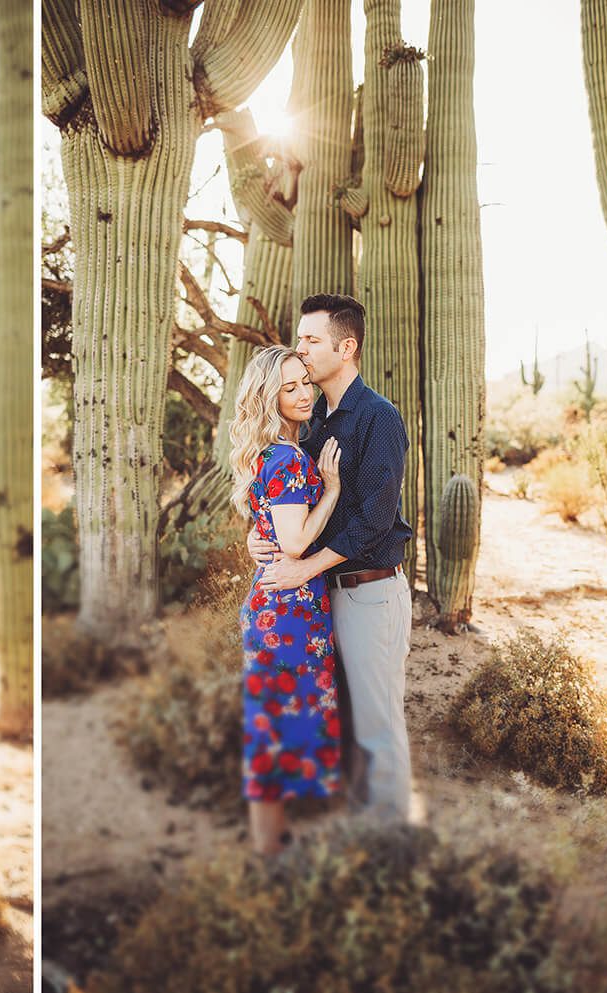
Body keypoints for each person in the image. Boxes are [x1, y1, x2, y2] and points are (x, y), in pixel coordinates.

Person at [248, 293, 417, 823]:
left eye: (311, 339)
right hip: (325, 598)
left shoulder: (378, 419)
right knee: (344, 725)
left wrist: (304, 565)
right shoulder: (316, 418)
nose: (300, 348)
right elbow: (292, 508)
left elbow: (374, 517)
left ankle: (390, 851)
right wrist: (262, 540)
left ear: (346, 348)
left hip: (368, 592)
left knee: (376, 728)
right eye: (300, 338)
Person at [226, 345, 345, 854]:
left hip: (277, 605)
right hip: (288, 612)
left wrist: (258, 535)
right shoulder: (288, 456)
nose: (302, 394)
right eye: (288, 387)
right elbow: (295, 543)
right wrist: (334, 490)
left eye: (305, 382)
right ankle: (268, 849)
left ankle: (269, 843)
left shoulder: (269, 453)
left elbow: (270, 528)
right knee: (274, 732)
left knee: (270, 728)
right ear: (267, 396)